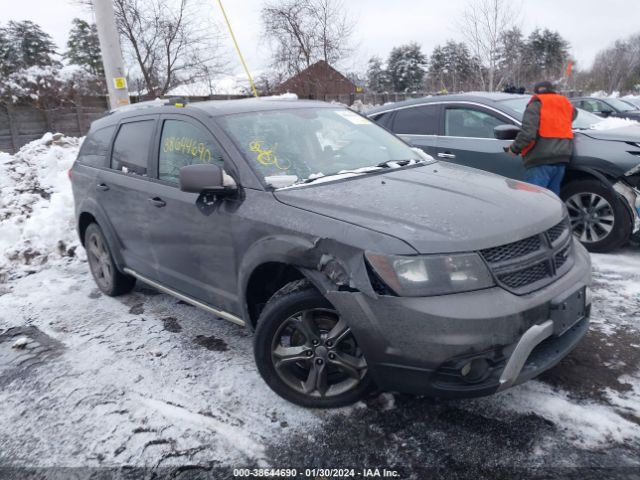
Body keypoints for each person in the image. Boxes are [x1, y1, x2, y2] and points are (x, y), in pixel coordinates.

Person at [505, 81, 577, 196]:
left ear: (536, 91)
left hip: (540, 160)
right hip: (562, 159)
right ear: (552, 90)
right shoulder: (565, 103)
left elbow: (527, 134)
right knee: (552, 201)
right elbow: (573, 114)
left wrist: (514, 149)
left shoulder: (536, 104)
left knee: (534, 201)